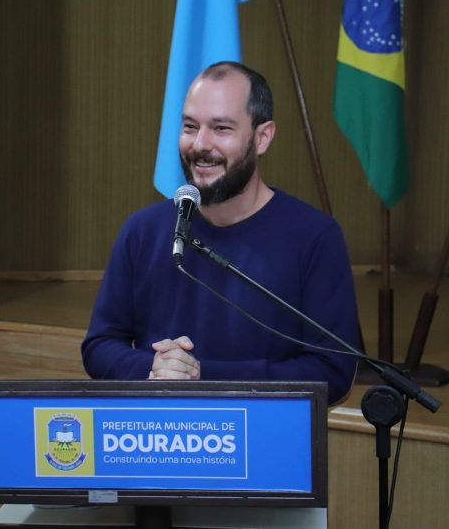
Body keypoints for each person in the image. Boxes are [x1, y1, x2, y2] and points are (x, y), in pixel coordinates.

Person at [81, 61, 358, 404]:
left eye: (221, 128)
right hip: (158, 435)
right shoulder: (143, 230)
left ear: (262, 137)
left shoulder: (315, 237)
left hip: (261, 440)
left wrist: (201, 375)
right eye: (189, 126)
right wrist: (153, 367)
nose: (200, 144)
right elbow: (99, 345)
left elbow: (333, 370)